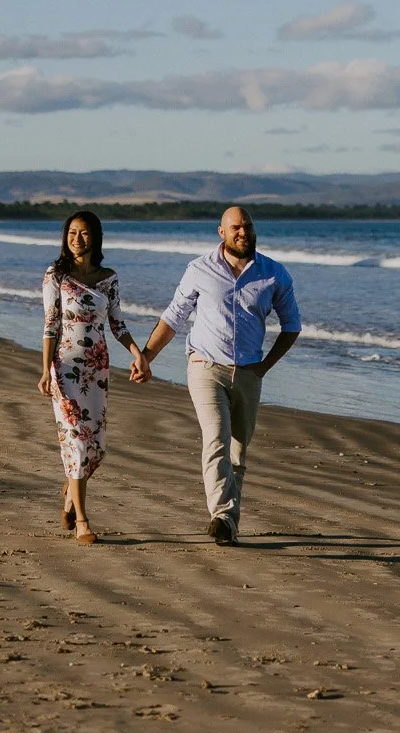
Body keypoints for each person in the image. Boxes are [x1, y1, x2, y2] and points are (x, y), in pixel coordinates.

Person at [130, 206, 301, 545]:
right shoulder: (199, 269)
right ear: (221, 232)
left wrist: (264, 367)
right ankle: (221, 514)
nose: (244, 232)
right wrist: (146, 357)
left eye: (248, 226)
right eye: (236, 227)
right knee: (216, 438)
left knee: (238, 451)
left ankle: (228, 524)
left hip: (249, 372)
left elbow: (292, 325)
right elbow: (173, 317)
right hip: (205, 367)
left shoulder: (274, 274)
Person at [38, 210, 141, 544]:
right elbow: (51, 324)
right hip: (66, 368)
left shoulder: (108, 278)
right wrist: (45, 370)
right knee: (77, 441)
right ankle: (82, 520)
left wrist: (137, 353)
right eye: (71, 233)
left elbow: (117, 324)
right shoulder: (56, 275)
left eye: (83, 233)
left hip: (97, 369)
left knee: (96, 447)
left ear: (95, 237)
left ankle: (71, 490)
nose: (76, 239)